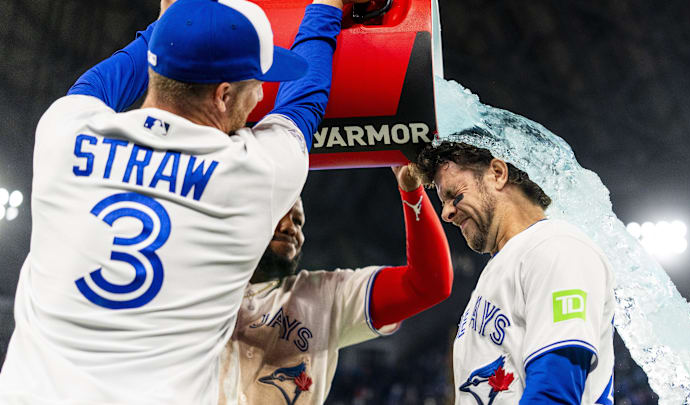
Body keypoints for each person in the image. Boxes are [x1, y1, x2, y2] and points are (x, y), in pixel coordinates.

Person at [0, 0, 362, 403]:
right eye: (256, 83)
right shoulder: (250, 175)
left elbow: (114, 73)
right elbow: (303, 102)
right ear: (223, 95)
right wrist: (326, 7)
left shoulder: (62, 132)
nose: (261, 95)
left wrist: (172, 20)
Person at [217, 165, 454, 405]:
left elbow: (428, 284)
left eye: (298, 222)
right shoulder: (198, 283)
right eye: (279, 215)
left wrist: (411, 192)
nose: (290, 227)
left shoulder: (323, 295)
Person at [412, 138, 615, 405]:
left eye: (453, 194)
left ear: (497, 174)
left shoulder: (557, 246)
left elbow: (554, 391)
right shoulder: (501, 266)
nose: (446, 213)